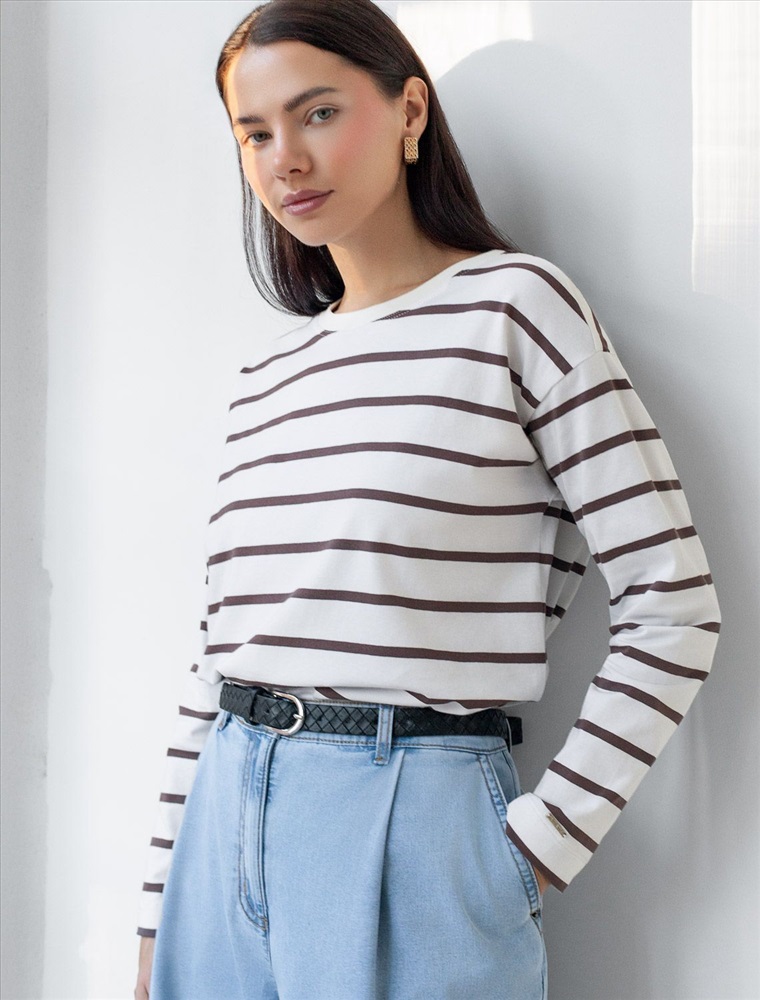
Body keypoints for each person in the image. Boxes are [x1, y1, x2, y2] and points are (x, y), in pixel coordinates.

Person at [134, 1, 720, 997]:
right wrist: (160, 907)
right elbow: (218, 659)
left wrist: (533, 849)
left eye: (319, 113)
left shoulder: (515, 308)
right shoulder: (268, 377)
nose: (286, 159)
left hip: (414, 821)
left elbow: (673, 601)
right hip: (219, 828)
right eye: (255, 133)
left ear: (410, 112)